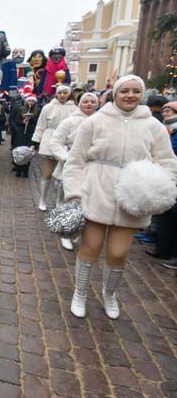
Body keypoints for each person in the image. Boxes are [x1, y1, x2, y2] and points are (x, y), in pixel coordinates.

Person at [63, 75, 177, 319]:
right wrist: (74, 192)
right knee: (90, 247)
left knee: (118, 252)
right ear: (115, 93)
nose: (130, 95)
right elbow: (76, 159)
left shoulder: (153, 126)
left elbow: (167, 161)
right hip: (97, 191)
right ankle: (80, 293)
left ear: (142, 94)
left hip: (133, 195)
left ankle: (109, 293)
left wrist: (160, 189)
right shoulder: (95, 122)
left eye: (136, 91)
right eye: (125, 90)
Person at [48, 92, 99, 250]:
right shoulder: (69, 121)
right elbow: (55, 141)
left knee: (87, 200)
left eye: (92, 101)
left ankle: (77, 230)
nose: (89, 104)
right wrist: (65, 157)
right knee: (65, 200)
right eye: (86, 101)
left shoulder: (102, 122)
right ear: (79, 103)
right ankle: (65, 232)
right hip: (71, 166)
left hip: (92, 167)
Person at [31, 84, 76, 211]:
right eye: (60, 93)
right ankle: (42, 199)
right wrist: (35, 141)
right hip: (50, 139)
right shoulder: (48, 107)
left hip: (66, 142)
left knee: (62, 174)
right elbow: (41, 125)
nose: (62, 95)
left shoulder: (74, 109)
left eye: (65, 93)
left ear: (69, 94)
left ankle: (59, 201)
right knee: (48, 172)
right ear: (56, 94)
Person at [150, 101, 177, 268]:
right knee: (167, 213)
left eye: (170, 110)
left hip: (172, 172)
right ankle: (162, 246)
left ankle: (171, 251)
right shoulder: (164, 127)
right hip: (165, 171)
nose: (166, 113)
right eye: (164, 110)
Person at [13, 92, 40, 177]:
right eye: (29, 101)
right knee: (19, 151)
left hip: (30, 133)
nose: (30, 103)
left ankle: (25, 171)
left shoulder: (37, 110)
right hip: (21, 132)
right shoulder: (21, 109)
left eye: (32, 101)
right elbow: (16, 120)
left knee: (28, 152)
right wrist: (23, 121)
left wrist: (31, 120)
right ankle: (18, 169)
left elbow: (38, 122)